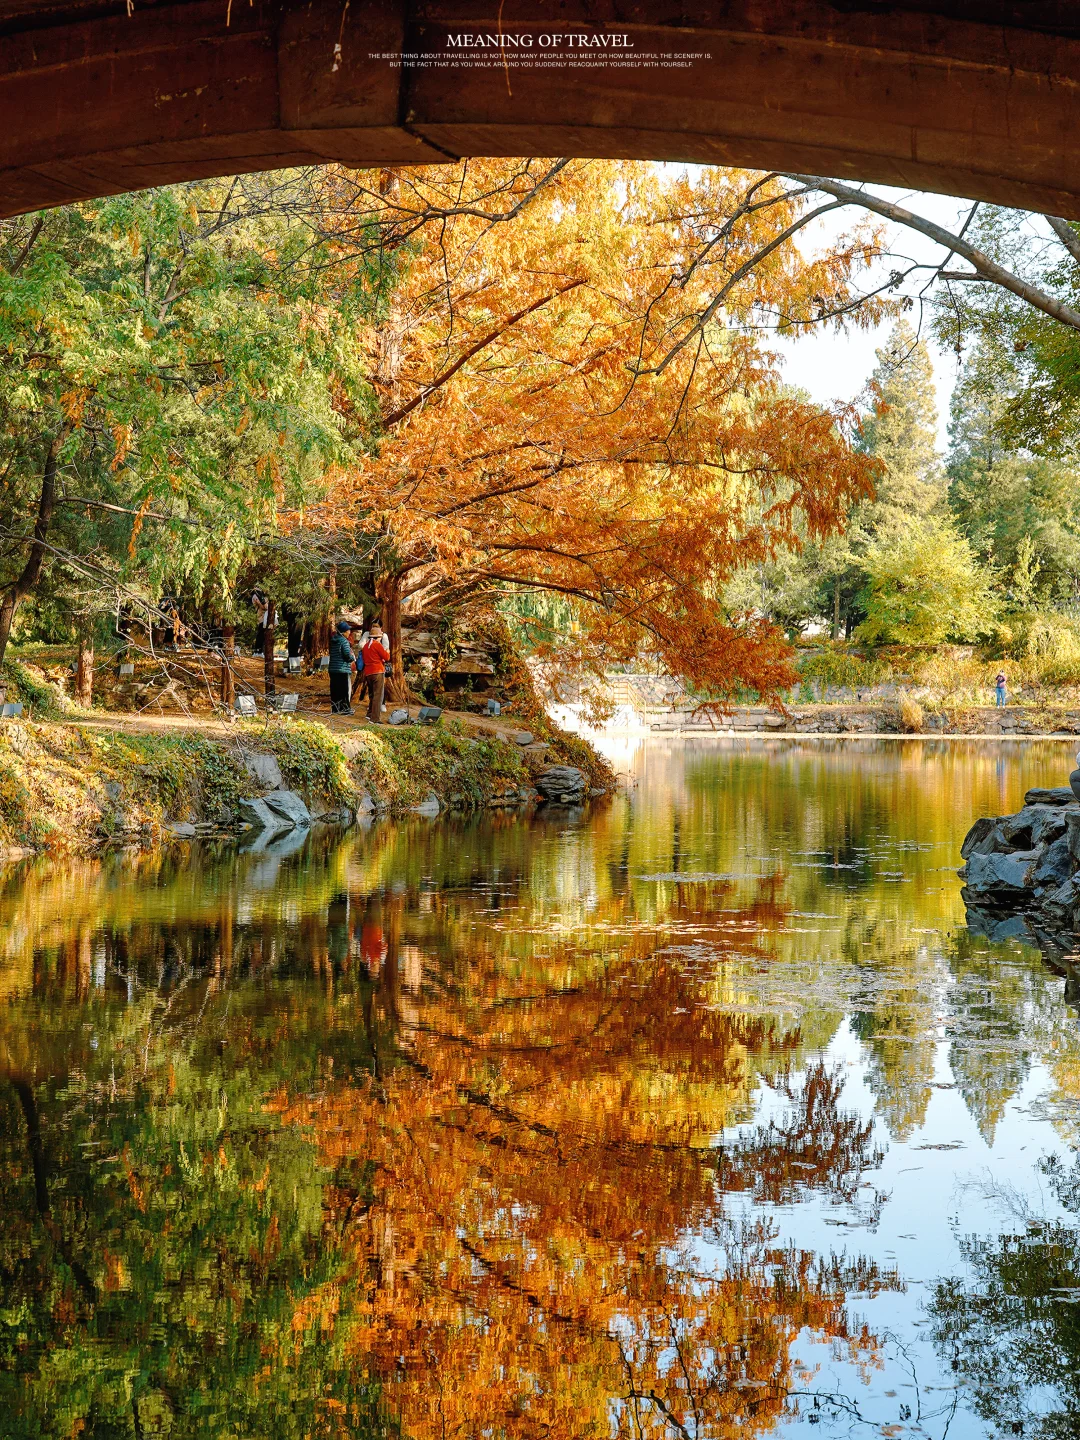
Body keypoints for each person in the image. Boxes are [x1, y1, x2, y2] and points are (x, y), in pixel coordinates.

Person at [360, 621, 391, 723]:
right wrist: (388, 652)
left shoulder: (365, 647)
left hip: (368, 672)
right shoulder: (377, 645)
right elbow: (386, 657)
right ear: (378, 637)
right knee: (378, 695)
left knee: (372, 695)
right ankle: (375, 719)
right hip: (378, 671)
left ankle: (369, 714)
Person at [328, 619, 357, 714]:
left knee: (335, 690)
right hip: (342, 669)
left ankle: (335, 709)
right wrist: (352, 657)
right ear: (343, 632)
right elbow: (347, 655)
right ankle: (345, 709)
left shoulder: (333, 640)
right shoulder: (344, 642)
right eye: (348, 630)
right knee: (344, 691)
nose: (349, 632)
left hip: (333, 669)